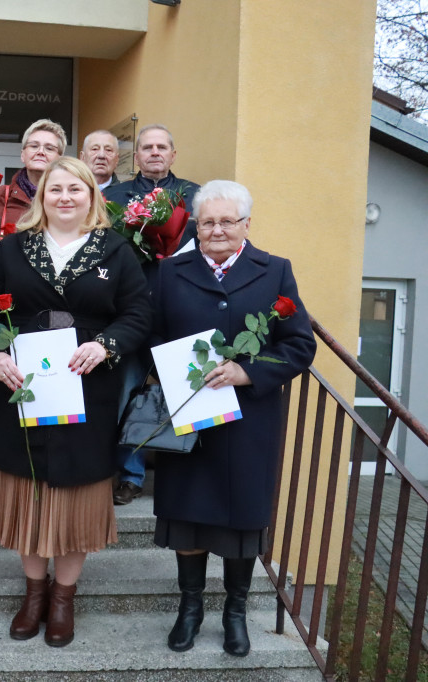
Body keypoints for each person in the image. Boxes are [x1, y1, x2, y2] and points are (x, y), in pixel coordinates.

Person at [0, 157, 151, 647]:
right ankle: (33, 595)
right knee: (28, 489)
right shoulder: (13, 249)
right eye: (55, 190)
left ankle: (63, 598)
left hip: (87, 387)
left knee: (76, 493)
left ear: (92, 196)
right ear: (41, 197)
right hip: (21, 386)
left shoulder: (116, 251)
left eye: (76, 189)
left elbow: (139, 311)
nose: (65, 197)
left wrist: (106, 343)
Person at [150, 179, 316, 657]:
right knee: (186, 516)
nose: (217, 230)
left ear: (246, 224)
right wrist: (173, 373)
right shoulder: (170, 271)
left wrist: (248, 371)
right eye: (208, 222)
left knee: (242, 520)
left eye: (228, 221)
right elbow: (153, 337)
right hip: (190, 420)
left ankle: (235, 612)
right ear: (196, 227)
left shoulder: (275, 271)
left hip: (249, 420)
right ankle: (190, 609)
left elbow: (299, 344)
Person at [106, 124, 202, 507]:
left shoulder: (195, 197)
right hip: (130, 308)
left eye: (162, 147)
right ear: (138, 155)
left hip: (181, 309)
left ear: (173, 154)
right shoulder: (115, 197)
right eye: (147, 147)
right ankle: (129, 475)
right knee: (128, 391)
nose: (155, 153)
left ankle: (182, 471)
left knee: (183, 391)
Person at [0, 119, 67, 258]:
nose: (41, 152)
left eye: (49, 148)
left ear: (60, 159)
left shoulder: (68, 199)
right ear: (22, 155)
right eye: (34, 146)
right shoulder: (1, 195)